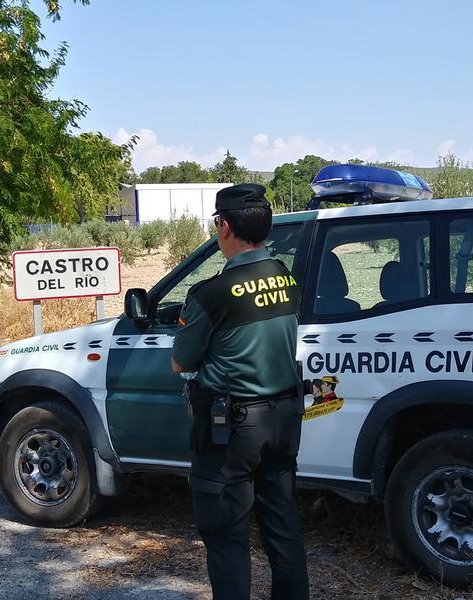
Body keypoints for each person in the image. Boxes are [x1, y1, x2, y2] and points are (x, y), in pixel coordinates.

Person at [171, 183, 309, 600]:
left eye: (217, 222)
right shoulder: (286, 278)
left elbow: (181, 362)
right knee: (283, 528)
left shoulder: (212, 293)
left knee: (227, 536)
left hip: (232, 430)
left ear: (226, 227)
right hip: (284, 419)